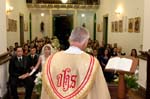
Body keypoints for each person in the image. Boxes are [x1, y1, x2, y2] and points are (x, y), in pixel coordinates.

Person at [41, 27, 110, 99]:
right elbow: (101, 92)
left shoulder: (51, 60)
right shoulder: (92, 62)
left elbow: (45, 92)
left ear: (70, 39)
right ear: (85, 42)